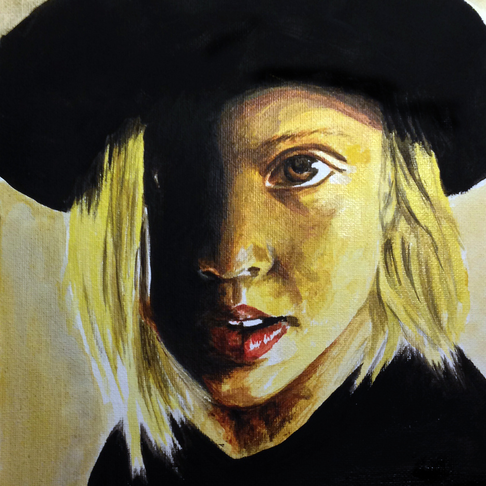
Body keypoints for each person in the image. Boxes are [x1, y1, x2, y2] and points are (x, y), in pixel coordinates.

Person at [1, 0, 486, 484]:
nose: (229, 257)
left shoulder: (456, 453)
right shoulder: (145, 464)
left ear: (398, 199)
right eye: (168, 180)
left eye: (300, 169)